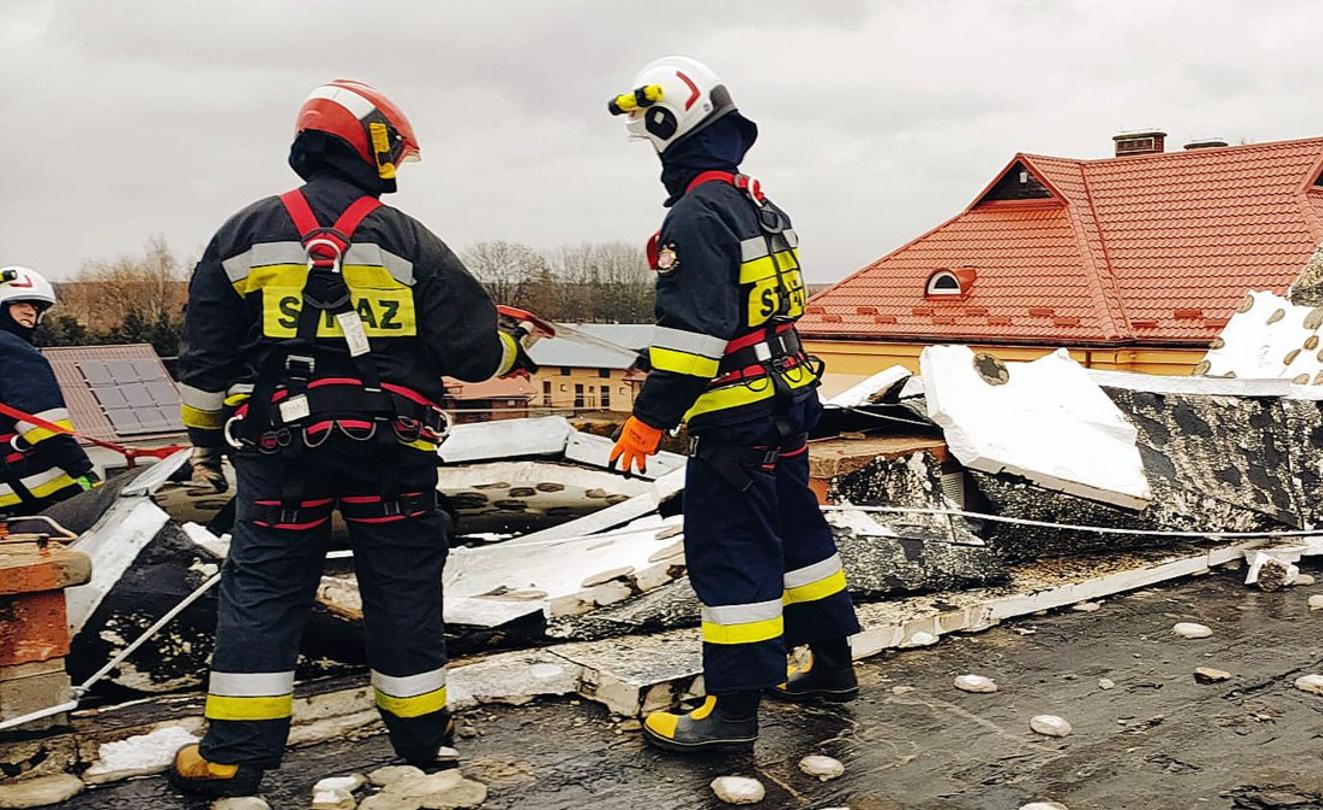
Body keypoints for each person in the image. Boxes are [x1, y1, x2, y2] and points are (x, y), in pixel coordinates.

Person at [166, 79, 536, 798]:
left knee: (265, 588)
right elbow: (471, 355)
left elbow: (204, 364)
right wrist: (513, 345)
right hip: (391, 456)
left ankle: (233, 756)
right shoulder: (407, 240)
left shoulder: (242, 234)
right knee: (402, 584)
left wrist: (205, 449)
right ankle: (426, 741)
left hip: (280, 456)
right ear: (366, 145)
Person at [604, 56, 861, 753]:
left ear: (671, 123)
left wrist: (649, 416)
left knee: (734, 553)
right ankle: (831, 669)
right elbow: (747, 317)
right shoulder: (756, 201)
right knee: (799, 537)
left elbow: (694, 340)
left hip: (737, 421)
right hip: (786, 402)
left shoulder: (695, 213)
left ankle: (732, 714)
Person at [0, 266, 98, 515]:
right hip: (28, 488)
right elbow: (43, 425)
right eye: (20, 303)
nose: (30, 311)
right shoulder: (11, 349)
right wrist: (83, 470)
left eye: (35, 306)